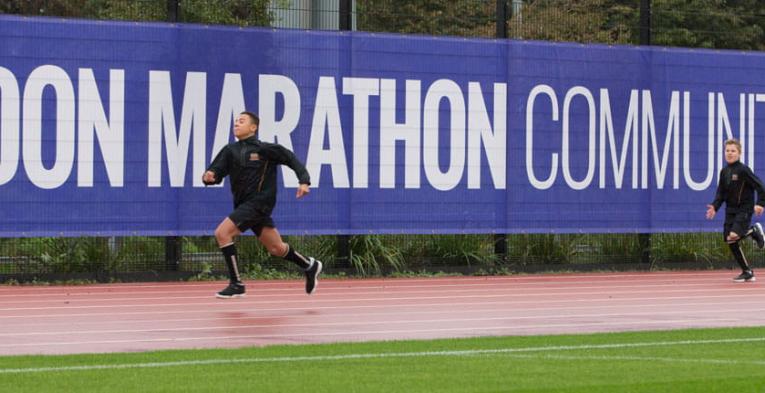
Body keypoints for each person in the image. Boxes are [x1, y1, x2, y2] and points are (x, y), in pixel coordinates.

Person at [202, 111, 322, 298]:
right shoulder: (229, 150)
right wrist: (209, 177)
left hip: (260, 203)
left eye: (242, 121)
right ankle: (310, 265)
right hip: (244, 206)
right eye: (235, 121)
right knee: (276, 248)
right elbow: (214, 173)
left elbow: (290, 158)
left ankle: (236, 284)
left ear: (253, 127)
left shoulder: (265, 149)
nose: (237, 124)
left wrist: (304, 180)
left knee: (222, 233)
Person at [706, 138, 765, 282]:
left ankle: (754, 231)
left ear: (739, 153)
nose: (730, 153)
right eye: (727, 151)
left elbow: (760, 186)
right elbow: (721, 192)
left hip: (744, 208)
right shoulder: (724, 171)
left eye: (733, 151)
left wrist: (760, 204)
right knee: (729, 240)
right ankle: (747, 272)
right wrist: (715, 206)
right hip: (730, 210)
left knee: (733, 235)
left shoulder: (743, 170)